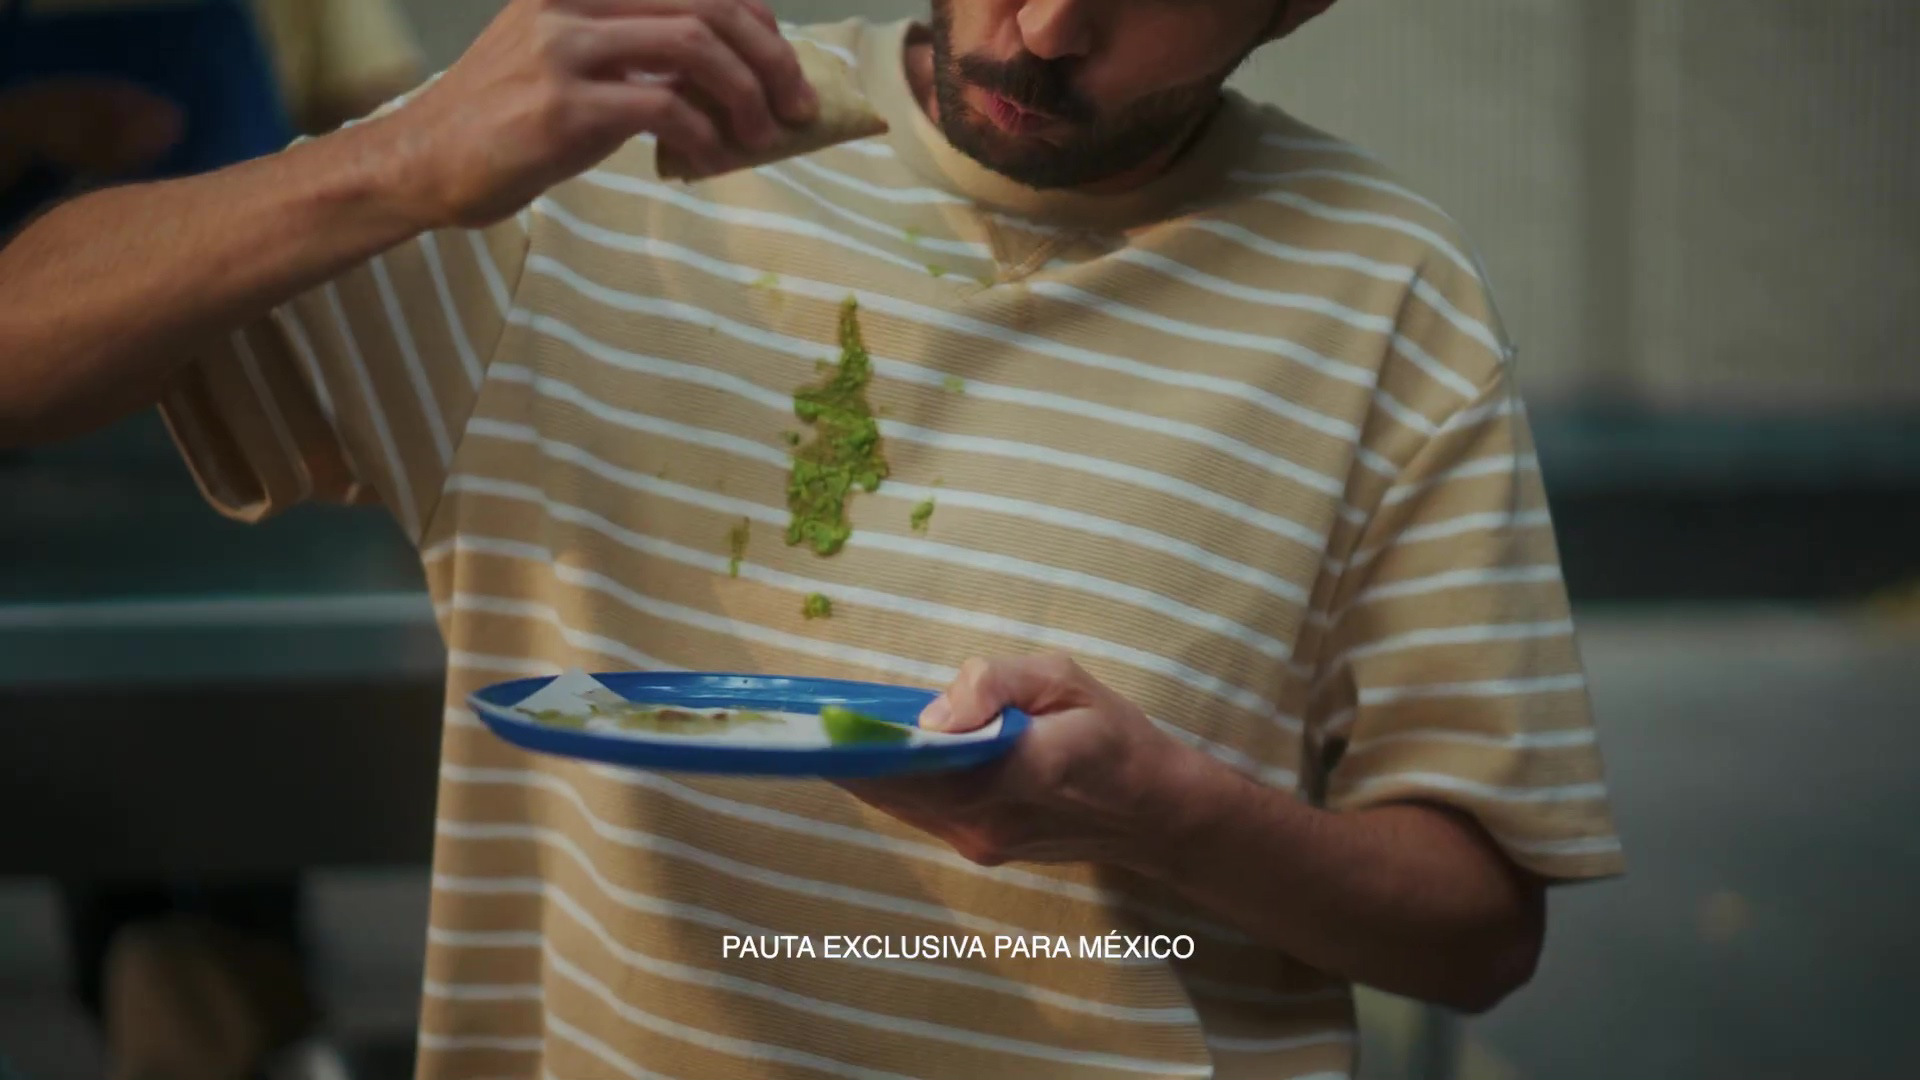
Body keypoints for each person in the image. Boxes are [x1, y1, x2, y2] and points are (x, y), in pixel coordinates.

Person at [0, 1, 1627, 1078]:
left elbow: (1478, 929)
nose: (1049, 23)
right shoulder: (595, 163)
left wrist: (1169, 814)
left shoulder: (1384, 296)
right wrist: (395, 161)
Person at [3, 3, 422, 1079]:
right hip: (34, 493)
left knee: (234, 795)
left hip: (250, 469)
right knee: (105, 795)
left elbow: (385, 126)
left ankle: (228, 987)